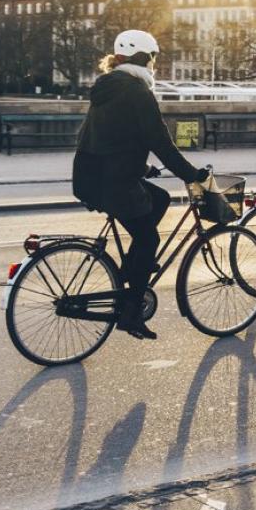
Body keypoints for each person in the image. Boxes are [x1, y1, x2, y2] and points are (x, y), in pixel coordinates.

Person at [72, 30, 209, 340]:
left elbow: (108, 135)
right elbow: (161, 141)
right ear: (144, 58)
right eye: (152, 58)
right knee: (148, 240)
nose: (153, 64)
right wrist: (191, 174)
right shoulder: (136, 91)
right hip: (113, 183)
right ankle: (131, 311)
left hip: (91, 177)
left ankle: (132, 271)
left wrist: (143, 167)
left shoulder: (106, 88)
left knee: (158, 199)